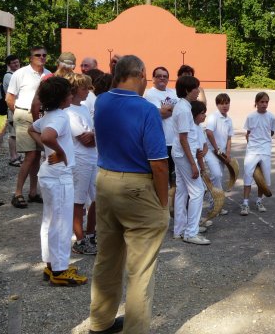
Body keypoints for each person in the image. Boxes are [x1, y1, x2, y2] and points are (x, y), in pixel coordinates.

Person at [89, 55, 169, 334]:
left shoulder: (101, 101)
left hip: (105, 180)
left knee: (107, 258)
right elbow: (159, 164)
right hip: (136, 186)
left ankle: (100, 322)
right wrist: (163, 204)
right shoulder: (146, 109)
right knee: (140, 269)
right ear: (141, 74)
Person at [28, 76, 88, 286]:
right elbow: (46, 137)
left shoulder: (49, 115)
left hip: (49, 174)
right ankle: (60, 269)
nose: (72, 95)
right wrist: (60, 152)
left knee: (50, 220)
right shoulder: (61, 117)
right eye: (69, 93)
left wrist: (49, 151)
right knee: (62, 222)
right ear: (63, 98)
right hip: (60, 175)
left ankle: (51, 263)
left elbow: (33, 129)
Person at [6, 46, 51, 208]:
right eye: (38, 55)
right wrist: (19, 114)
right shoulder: (20, 73)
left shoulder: (48, 74)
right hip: (24, 115)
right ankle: (17, 193)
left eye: (44, 55)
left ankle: (33, 192)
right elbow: (9, 98)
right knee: (31, 155)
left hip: (41, 116)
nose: (42, 57)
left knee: (37, 156)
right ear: (30, 57)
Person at [171, 76, 210, 245]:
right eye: (196, 88)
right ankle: (191, 232)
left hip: (180, 154)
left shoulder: (183, 107)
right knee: (197, 191)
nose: (198, 91)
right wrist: (194, 164)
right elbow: (183, 139)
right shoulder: (184, 110)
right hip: (184, 155)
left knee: (182, 191)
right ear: (187, 90)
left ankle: (180, 230)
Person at [65, 74, 98, 255]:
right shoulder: (69, 112)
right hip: (80, 159)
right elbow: (85, 139)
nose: (88, 91)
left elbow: (93, 134)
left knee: (97, 197)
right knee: (78, 200)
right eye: (85, 88)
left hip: (92, 157)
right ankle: (79, 240)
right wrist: (94, 135)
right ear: (75, 89)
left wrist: (94, 134)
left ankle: (91, 234)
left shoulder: (84, 108)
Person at [241, 92, 275, 215]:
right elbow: (248, 132)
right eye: (261, 102)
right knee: (248, 175)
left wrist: (265, 141)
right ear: (256, 103)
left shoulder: (271, 117)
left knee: (263, 177)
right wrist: (251, 143)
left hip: (265, 150)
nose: (264, 104)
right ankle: (245, 203)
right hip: (252, 150)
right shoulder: (250, 116)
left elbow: (271, 132)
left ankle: (259, 201)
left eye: (266, 102)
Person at [144, 67, 179, 189]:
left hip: (176, 141)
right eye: (159, 76)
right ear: (153, 79)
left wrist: (169, 109)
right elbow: (159, 114)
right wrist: (175, 108)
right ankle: (162, 204)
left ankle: (174, 205)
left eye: (165, 76)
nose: (162, 78)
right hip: (162, 141)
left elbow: (183, 110)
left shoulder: (173, 92)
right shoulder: (150, 94)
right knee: (162, 176)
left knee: (175, 176)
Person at [204, 93, 234, 215]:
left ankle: (212, 199)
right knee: (216, 175)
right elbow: (209, 132)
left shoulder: (229, 120)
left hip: (221, 154)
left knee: (218, 176)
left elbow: (229, 138)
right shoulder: (213, 117)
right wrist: (216, 149)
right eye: (221, 103)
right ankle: (216, 204)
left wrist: (227, 153)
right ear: (217, 105)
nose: (224, 106)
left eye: (226, 103)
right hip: (211, 152)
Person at [3, 55, 21, 167]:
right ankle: (13, 157)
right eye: (13, 63)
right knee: (13, 134)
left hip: (18, 107)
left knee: (17, 133)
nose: (16, 64)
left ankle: (16, 155)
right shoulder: (8, 76)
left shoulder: (16, 75)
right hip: (12, 107)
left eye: (17, 62)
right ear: (9, 65)